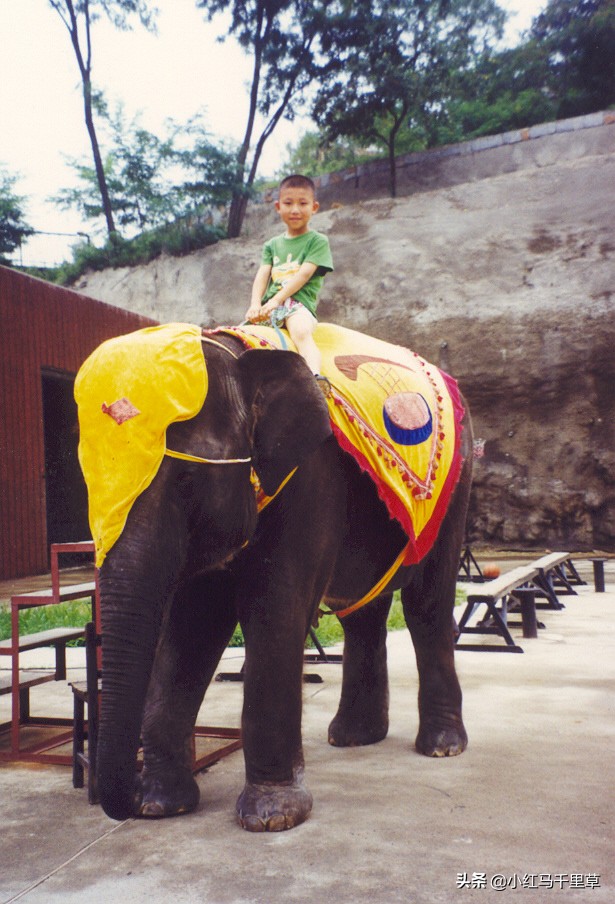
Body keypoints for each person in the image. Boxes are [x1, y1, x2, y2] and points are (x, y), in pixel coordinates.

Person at [245, 174, 333, 381]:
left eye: (303, 203)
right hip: (270, 307)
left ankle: (314, 379)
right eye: (288, 203)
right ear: (278, 207)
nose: (295, 209)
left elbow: (303, 274)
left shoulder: (317, 241)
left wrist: (276, 300)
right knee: (241, 336)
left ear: (314, 207)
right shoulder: (271, 245)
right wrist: (255, 304)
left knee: (301, 332)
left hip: (298, 306)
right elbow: (262, 275)